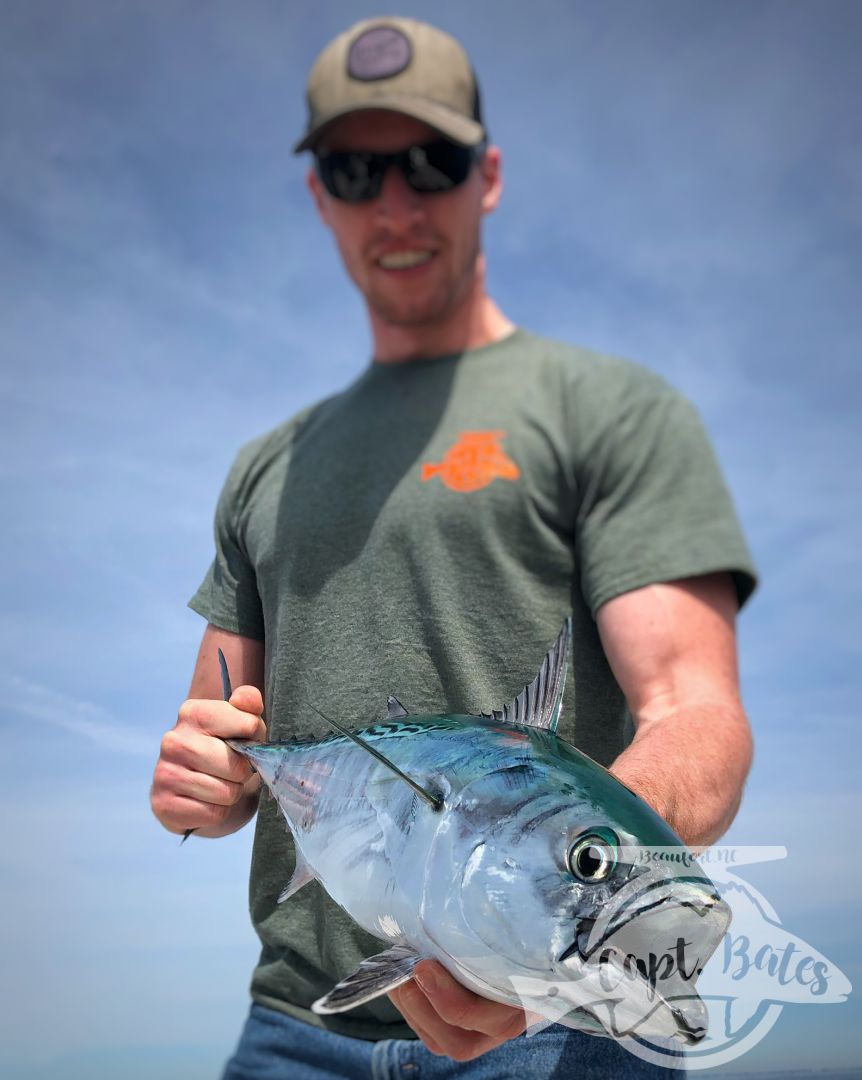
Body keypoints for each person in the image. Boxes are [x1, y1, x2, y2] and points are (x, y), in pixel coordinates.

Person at [150, 15, 757, 1079]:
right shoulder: (262, 466)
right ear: (317, 196)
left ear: (487, 175)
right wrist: (206, 775)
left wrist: (553, 927)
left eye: (428, 162)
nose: (394, 203)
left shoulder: (608, 411)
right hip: (298, 1032)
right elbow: (227, 722)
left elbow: (694, 708)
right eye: (354, 169)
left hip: (567, 1035)